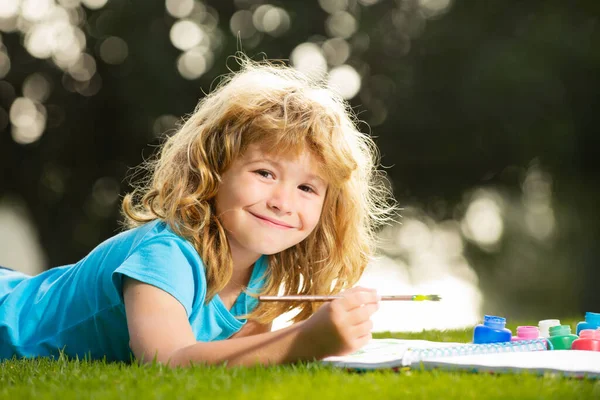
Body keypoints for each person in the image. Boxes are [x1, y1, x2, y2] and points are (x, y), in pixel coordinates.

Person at [0, 58, 396, 367]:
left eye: (307, 188)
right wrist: (305, 340)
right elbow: (167, 362)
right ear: (213, 170)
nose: (282, 201)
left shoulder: (260, 272)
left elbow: (239, 362)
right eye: (264, 172)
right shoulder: (169, 254)